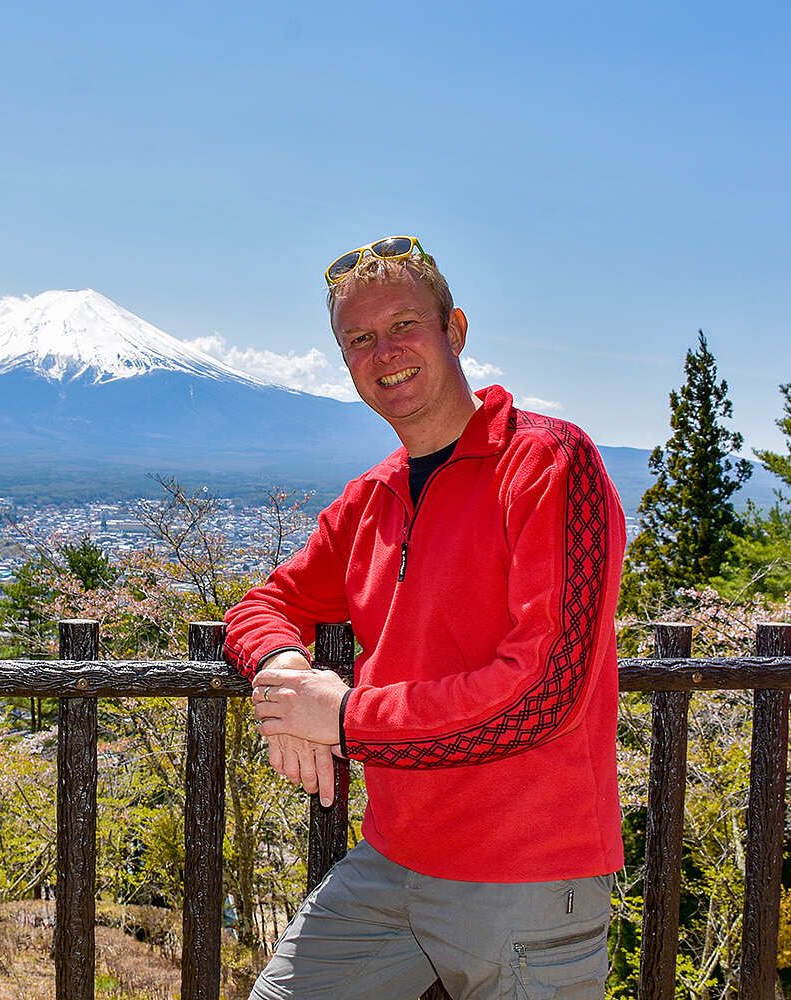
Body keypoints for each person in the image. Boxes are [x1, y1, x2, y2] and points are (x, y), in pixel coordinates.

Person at [223, 236, 627, 999]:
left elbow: (543, 693)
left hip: (527, 873)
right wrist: (284, 677)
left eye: (405, 325)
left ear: (456, 331)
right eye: (360, 340)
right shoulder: (370, 498)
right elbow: (265, 604)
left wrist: (343, 719)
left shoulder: (548, 463)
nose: (385, 353)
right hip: (392, 862)